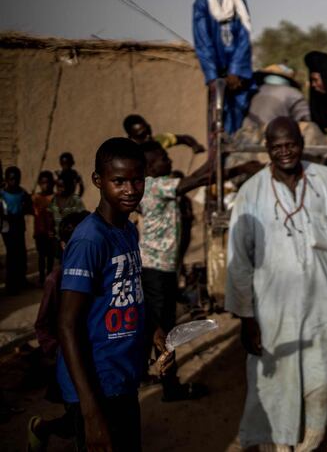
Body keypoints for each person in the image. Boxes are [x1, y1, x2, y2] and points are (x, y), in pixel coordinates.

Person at [225, 117, 327, 451]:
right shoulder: (252, 192)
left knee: (320, 370)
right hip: (272, 305)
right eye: (277, 146)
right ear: (267, 149)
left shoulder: (325, 179)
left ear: (301, 144)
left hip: (322, 299)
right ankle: (278, 442)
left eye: (291, 144)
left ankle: (311, 438)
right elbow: (239, 260)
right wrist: (247, 318)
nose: (285, 152)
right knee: (274, 377)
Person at [57, 138, 173, 451]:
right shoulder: (90, 240)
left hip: (122, 379)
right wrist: (91, 412)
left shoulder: (126, 229)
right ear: (98, 180)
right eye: (119, 181)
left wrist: (152, 329)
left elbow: (128, 291)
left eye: (137, 180)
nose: (130, 190)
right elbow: (67, 325)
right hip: (98, 386)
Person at [138, 141, 214, 402]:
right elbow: (192, 181)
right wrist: (215, 156)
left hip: (159, 269)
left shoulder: (154, 186)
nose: (169, 161)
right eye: (162, 158)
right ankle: (170, 386)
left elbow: (197, 179)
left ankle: (147, 374)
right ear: (149, 166)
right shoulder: (155, 185)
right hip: (157, 271)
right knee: (165, 331)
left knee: (156, 326)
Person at [28, 210, 90, 452]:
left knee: (85, 417)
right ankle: (42, 428)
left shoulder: (96, 274)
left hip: (94, 358)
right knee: (80, 419)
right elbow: (42, 325)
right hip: (69, 362)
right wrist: (58, 352)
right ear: (65, 246)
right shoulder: (57, 279)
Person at [193, 0, 254, 135]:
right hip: (217, 71)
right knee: (218, 115)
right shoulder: (203, 1)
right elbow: (203, 40)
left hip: (237, 74)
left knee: (240, 112)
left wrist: (235, 70)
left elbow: (245, 35)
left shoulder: (239, 0)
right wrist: (212, 75)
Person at [1, 166, 32, 294]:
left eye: (17, 179)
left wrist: (26, 205)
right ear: (7, 179)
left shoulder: (22, 193)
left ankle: (21, 280)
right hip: (8, 228)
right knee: (12, 255)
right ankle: (11, 283)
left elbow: (28, 207)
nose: (14, 182)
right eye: (12, 179)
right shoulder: (2, 194)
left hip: (19, 226)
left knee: (21, 255)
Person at [123, 114, 206, 153]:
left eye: (149, 130)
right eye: (142, 135)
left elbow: (184, 138)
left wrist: (194, 145)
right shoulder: (129, 155)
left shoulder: (157, 141)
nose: (148, 136)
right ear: (131, 137)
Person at [32, 171, 57, 286]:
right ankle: (42, 277)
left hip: (50, 232)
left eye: (47, 183)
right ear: (39, 183)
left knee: (50, 257)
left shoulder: (54, 197)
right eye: (42, 183)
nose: (45, 185)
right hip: (39, 232)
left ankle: (49, 277)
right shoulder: (36, 197)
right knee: (41, 256)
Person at [48, 169, 86, 241]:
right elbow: (50, 216)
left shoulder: (75, 200)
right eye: (58, 186)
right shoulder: (54, 200)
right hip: (57, 239)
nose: (59, 189)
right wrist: (50, 229)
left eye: (62, 186)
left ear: (67, 186)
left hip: (72, 238)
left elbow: (82, 217)